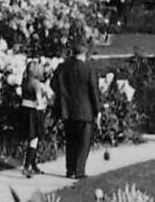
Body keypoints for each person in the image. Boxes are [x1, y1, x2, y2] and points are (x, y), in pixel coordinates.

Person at [54, 42, 102, 177]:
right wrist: (98, 110)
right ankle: (79, 170)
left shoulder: (63, 68)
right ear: (84, 52)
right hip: (85, 110)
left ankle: (70, 170)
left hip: (68, 109)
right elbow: (94, 91)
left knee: (70, 141)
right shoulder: (88, 69)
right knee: (84, 142)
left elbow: (54, 84)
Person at [19, 59, 54, 177]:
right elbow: (39, 100)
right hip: (34, 112)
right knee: (34, 140)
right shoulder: (37, 84)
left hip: (25, 110)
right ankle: (27, 166)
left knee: (32, 138)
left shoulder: (25, 81)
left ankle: (33, 165)